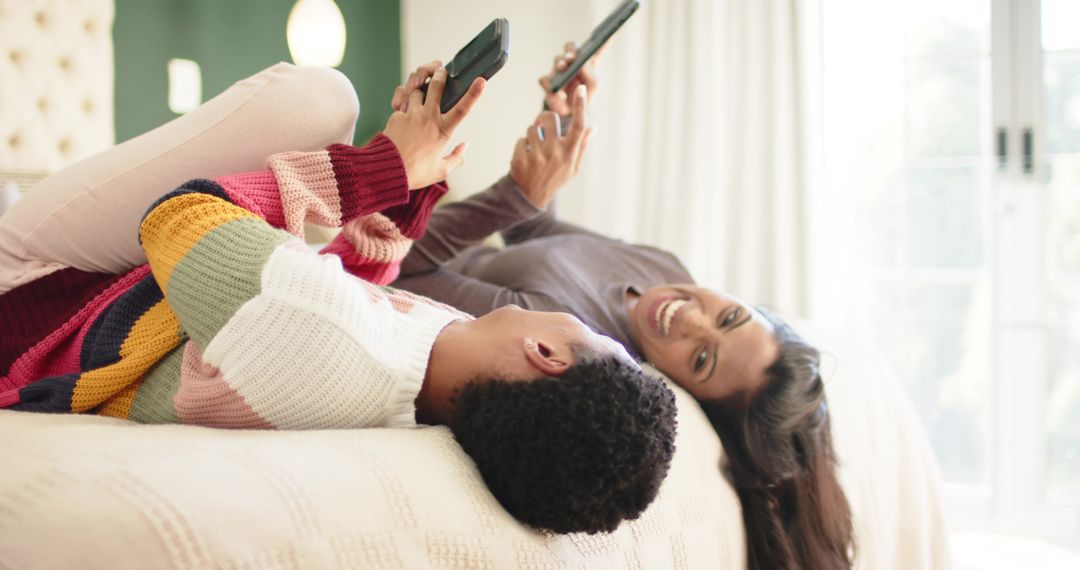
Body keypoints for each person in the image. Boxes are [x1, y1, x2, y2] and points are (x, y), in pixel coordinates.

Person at [0, 62, 677, 536]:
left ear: (547, 354)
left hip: (33, 294)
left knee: (318, 101)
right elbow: (325, 282)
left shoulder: (331, 347)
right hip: (118, 296)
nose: (572, 316)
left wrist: (382, 165)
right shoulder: (423, 378)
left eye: (591, 332)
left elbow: (179, 218)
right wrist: (409, 186)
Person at [391, 45, 855, 568]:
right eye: (730, 316)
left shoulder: (570, 337)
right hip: (432, 214)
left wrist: (517, 194)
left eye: (701, 359)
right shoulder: (668, 271)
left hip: (402, 234)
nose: (690, 318)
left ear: (687, 391)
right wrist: (557, 126)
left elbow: (401, 265)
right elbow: (534, 232)